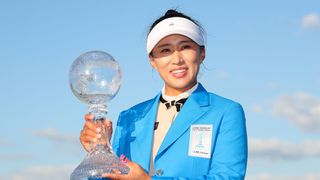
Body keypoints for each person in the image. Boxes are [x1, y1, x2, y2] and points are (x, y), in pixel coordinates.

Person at [80, 9, 248, 180]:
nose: (177, 59)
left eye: (186, 47)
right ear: (152, 60)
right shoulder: (130, 117)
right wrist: (100, 155)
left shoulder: (225, 112)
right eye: (165, 50)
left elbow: (228, 177)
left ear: (201, 53)